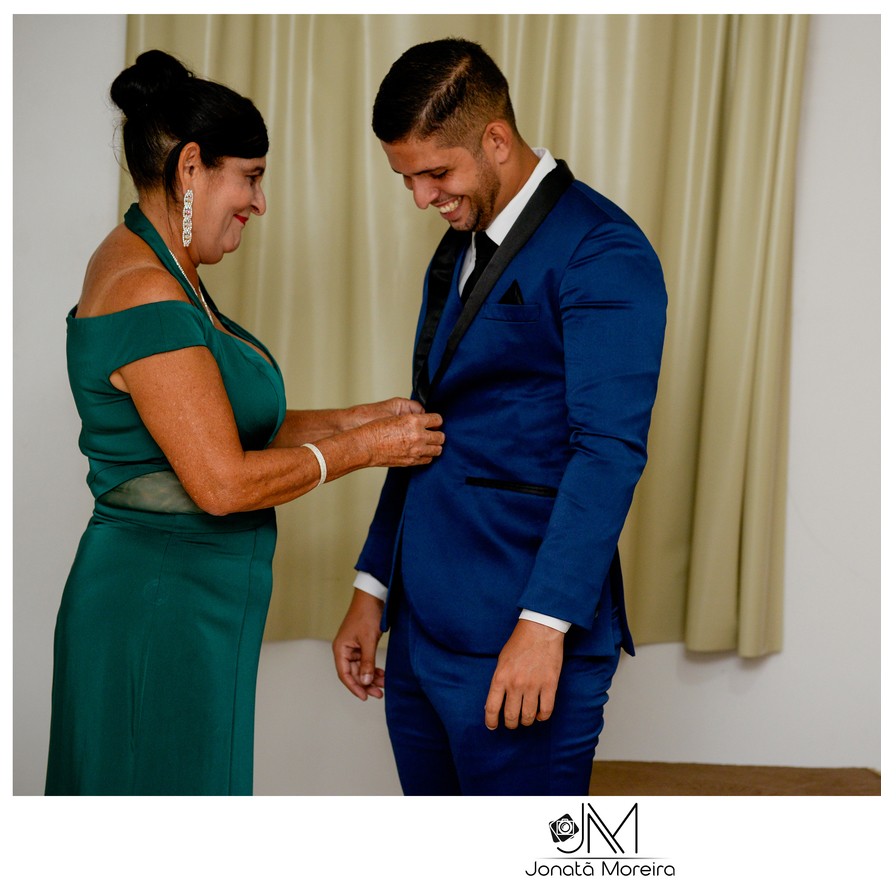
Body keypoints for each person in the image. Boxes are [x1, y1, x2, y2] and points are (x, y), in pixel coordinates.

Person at [45, 49, 445, 796]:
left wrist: (361, 418)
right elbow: (223, 482)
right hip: (157, 605)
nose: (260, 203)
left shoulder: (166, 272)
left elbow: (217, 426)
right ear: (190, 167)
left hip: (182, 598)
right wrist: (364, 448)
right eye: (251, 177)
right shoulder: (145, 291)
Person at [332, 38, 667, 795]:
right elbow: (427, 424)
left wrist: (544, 624)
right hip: (420, 630)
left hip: (521, 630)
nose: (421, 198)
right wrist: (373, 587)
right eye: (406, 178)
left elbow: (608, 450)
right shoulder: (458, 246)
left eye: (436, 174)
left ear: (495, 139)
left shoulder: (603, 249)